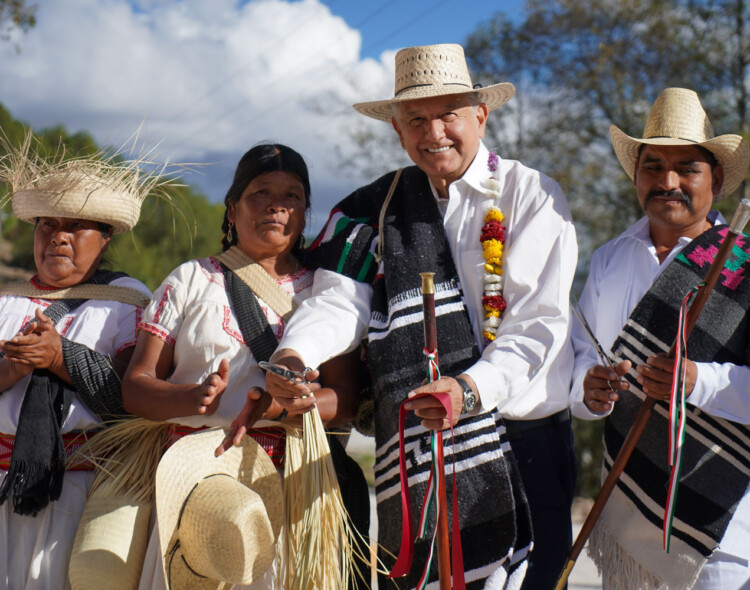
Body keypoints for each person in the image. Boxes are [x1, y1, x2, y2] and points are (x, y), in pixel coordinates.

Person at [267, 44, 578, 589]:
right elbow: (339, 302)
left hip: (525, 438)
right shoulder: (372, 210)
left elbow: (537, 326)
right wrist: (296, 353)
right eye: (416, 119)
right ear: (397, 131)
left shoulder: (531, 196)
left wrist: (470, 389)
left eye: (448, 115)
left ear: (480, 117)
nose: (434, 132)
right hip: (419, 446)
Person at [120, 143, 369, 589]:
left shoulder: (329, 293)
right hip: (198, 483)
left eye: (291, 196)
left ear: (305, 211)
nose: (276, 206)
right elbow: (136, 387)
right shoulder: (191, 280)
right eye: (260, 193)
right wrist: (192, 397)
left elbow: (347, 401)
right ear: (232, 209)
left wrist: (291, 404)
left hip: (294, 489)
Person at [570, 87, 750, 589]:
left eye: (687, 169)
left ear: (716, 179)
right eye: (652, 166)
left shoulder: (744, 264)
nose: (667, 182)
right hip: (626, 520)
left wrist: (697, 381)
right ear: (635, 175)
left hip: (722, 534)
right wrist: (589, 388)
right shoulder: (608, 258)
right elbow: (581, 357)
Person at [0, 136, 154, 589]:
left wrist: (60, 356)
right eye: (47, 224)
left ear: (105, 238)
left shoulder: (128, 303)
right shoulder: (7, 302)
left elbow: (134, 398)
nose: (58, 237)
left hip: (83, 490)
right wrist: (12, 369)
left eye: (77, 226)